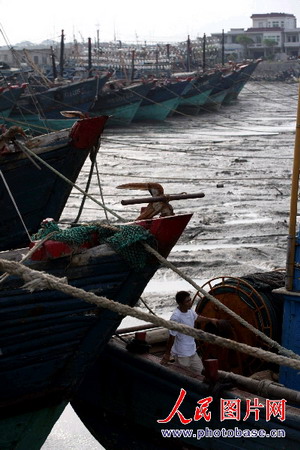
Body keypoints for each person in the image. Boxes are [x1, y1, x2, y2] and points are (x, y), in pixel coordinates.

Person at [161, 290, 203, 373]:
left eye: (190, 300)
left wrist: (213, 320)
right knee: (184, 378)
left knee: (201, 372)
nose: (190, 302)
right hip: (181, 354)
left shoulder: (190, 311)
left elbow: (197, 318)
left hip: (192, 351)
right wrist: (167, 354)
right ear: (180, 304)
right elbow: (171, 337)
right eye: (187, 301)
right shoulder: (176, 317)